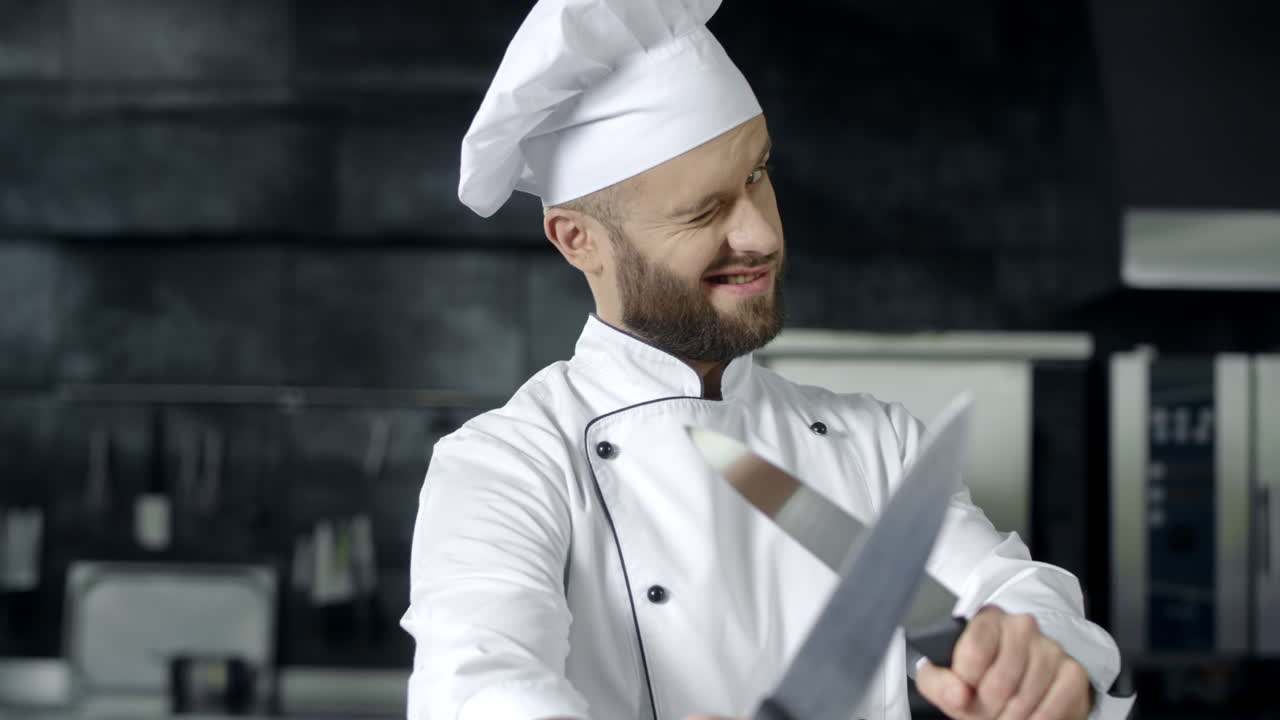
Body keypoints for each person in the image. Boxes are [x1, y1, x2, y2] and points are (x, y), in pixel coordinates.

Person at [400, 1, 1134, 718]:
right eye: (703, 211)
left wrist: (1038, 657)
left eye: (758, 174)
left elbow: (1009, 588)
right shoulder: (509, 464)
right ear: (576, 240)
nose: (759, 234)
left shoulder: (873, 444)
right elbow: (479, 684)